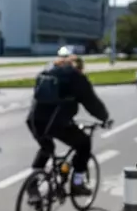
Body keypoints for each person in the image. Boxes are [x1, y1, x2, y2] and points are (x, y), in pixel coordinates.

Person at [26, 54, 111, 198]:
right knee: (84, 144)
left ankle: (32, 184)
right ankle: (77, 183)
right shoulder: (76, 77)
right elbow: (92, 103)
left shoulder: (48, 72)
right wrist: (105, 118)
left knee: (47, 148)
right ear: (80, 67)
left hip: (34, 120)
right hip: (56, 122)